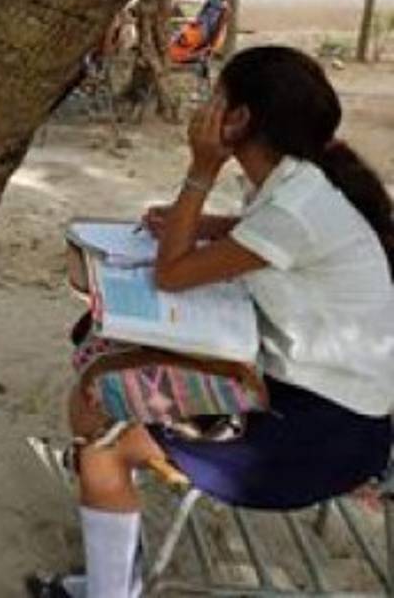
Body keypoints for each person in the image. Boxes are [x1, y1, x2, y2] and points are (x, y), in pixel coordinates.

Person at [31, 46, 394, 598]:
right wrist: (205, 226)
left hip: (324, 432)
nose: (203, 107)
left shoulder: (294, 204)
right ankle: (113, 557)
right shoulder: (297, 184)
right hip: (311, 393)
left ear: (240, 119)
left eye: (215, 98)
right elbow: (257, 237)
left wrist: (201, 171)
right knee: (99, 348)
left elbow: (173, 275)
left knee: (104, 438)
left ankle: (108, 584)